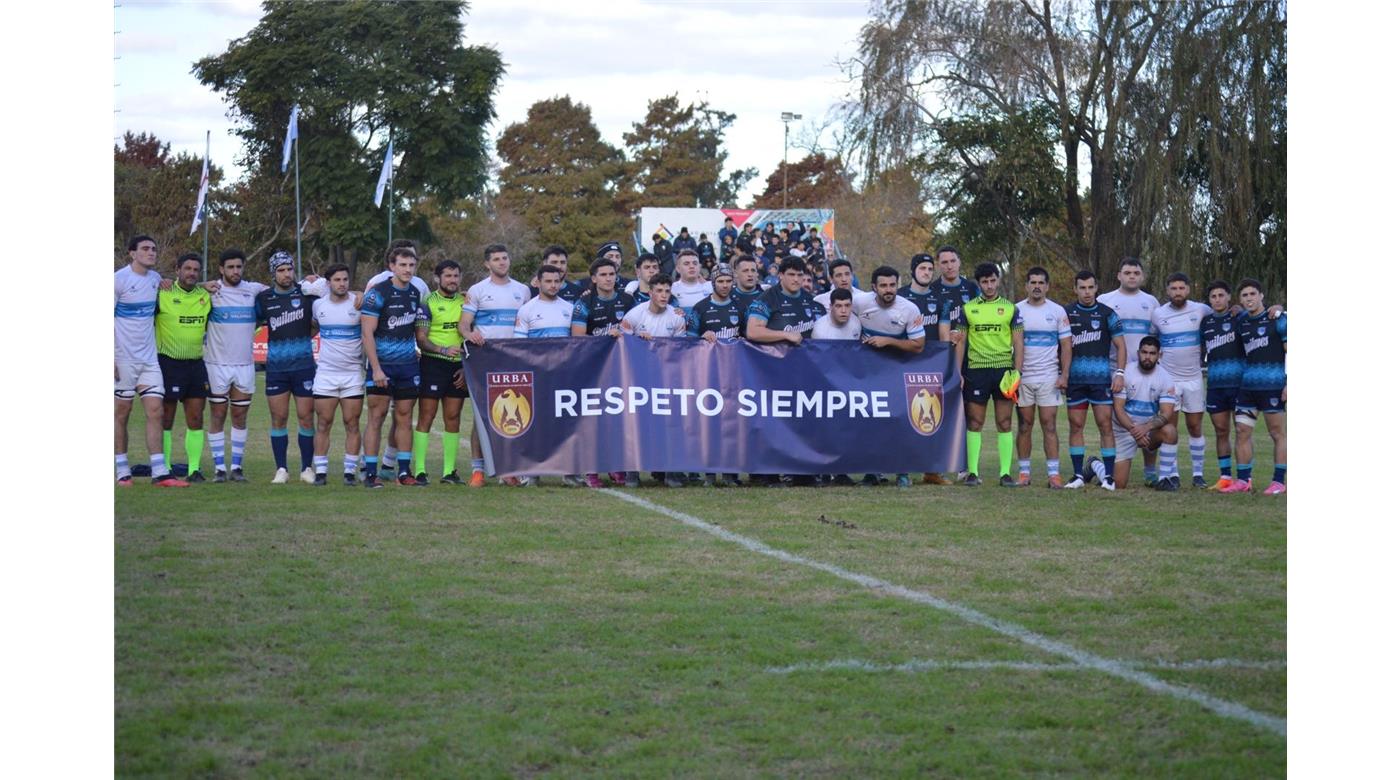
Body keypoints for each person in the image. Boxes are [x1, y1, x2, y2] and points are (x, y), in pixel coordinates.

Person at [746, 256, 825, 487]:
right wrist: (785, 335)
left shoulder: (811, 302)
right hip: (772, 370)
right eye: (791, 274)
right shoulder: (767, 299)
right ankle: (768, 473)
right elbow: (753, 331)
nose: (796, 279)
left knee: (802, 421)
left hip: (804, 372)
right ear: (780, 275)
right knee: (772, 422)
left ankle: (802, 472)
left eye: (800, 275)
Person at [115, 235, 187, 487]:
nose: (151, 252)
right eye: (145, 248)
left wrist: (206, 284)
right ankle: (122, 471)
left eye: (154, 249)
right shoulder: (118, 280)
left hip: (149, 360)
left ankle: (160, 472)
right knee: (121, 413)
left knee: (156, 411)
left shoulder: (156, 279)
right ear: (132, 253)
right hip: (122, 359)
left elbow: (181, 285)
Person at [459, 243, 532, 486]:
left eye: (505, 258)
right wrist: (470, 334)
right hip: (486, 360)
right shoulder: (477, 290)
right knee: (482, 415)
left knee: (515, 414)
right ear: (487, 264)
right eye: (497, 259)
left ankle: (510, 468)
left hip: (515, 361)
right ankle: (478, 470)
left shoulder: (522, 290)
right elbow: (463, 324)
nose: (502, 262)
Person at [952, 262, 1024, 487]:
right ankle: (972, 473)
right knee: (975, 422)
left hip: (1003, 371)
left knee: (1004, 422)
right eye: (985, 282)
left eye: (993, 280)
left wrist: (1017, 372)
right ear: (979, 283)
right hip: (976, 371)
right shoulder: (968, 309)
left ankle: (1005, 474)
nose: (990, 285)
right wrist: (957, 372)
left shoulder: (1011, 309)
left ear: (998, 280)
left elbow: (1019, 342)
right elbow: (960, 342)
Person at [855, 266, 926, 489]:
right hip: (867, 373)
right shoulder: (860, 303)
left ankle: (902, 471)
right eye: (883, 285)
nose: (888, 290)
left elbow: (918, 345)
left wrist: (888, 342)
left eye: (892, 285)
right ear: (873, 287)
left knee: (898, 423)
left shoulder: (910, 309)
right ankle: (871, 472)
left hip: (897, 372)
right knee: (870, 423)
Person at [363, 241, 428, 478]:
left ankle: (403, 472)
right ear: (392, 266)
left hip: (408, 367)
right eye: (402, 265)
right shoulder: (377, 293)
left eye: (411, 265)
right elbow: (367, 333)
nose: (407, 269)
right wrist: (376, 369)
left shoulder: (415, 292)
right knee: (376, 417)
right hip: (382, 367)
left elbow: (418, 330)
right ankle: (370, 472)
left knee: (405, 418)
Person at [253, 250, 319, 484]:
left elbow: (316, 323)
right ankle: (281, 469)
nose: (286, 274)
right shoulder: (264, 299)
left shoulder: (306, 294)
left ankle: (306, 468)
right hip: (277, 369)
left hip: (304, 367)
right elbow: (252, 323)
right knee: (279, 418)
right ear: (273, 273)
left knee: (306, 418)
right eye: (281, 270)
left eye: (289, 269)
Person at [570, 257, 636, 489]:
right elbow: (578, 337)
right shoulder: (584, 302)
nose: (609, 279)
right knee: (594, 419)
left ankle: (615, 465)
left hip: (622, 368)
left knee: (618, 417)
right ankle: (592, 469)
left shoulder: (627, 300)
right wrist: (604, 339)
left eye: (612, 274)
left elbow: (637, 328)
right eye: (604, 275)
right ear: (594, 278)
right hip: (593, 368)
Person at [1097, 257, 1162, 485]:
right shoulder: (1105, 300)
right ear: (1119, 276)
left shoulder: (1151, 302)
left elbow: (1156, 336)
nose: (1132, 276)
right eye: (1127, 273)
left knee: (1148, 417)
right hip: (1114, 370)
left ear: (1142, 276)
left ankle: (1150, 472)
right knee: (1112, 421)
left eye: (1136, 273)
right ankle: (1107, 465)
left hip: (1146, 371)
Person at [203, 248, 265, 483]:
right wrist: (201, 285)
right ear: (221, 269)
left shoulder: (253, 289)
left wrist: (311, 282)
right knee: (218, 414)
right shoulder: (211, 291)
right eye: (230, 267)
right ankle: (219, 468)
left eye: (239, 266)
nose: (235, 271)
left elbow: (283, 288)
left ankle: (237, 467)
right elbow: (186, 288)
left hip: (244, 365)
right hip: (216, 365)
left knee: (240, 415)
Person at [621, 276, 688, 487]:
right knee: (636, 424)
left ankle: (671, 472)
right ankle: (632, 472)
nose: (663, 295)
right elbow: (620, 344)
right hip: (637, 376)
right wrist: (636, 340)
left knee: (669, 424)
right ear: (650, 292)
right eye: (659, 291)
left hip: (666, 377)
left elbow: (680, 350)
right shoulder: (634, 315)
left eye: (667, 291)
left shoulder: (677, 317)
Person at [1221, 278, 1287, 495]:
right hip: (1247, 387)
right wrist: (1235, 309)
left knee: (1277, 434)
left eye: (1252, 294)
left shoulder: (1278, 319)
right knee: (1241, 431)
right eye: (1245, 295)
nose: (1249, 298)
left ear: (1261, 296)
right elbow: (1235, 312)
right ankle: (1243, 480)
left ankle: (1279, 482)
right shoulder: (1241, 322)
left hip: (1273, 386)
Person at [1063, 270, 1127, 490]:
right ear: (1075, 289)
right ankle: (1078, 475)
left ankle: (1108, 477)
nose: (1087, 292)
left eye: (1091, 287)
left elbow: (1121, 346)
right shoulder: (1066, 313)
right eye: (1082, 288)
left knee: (1105, 425)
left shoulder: (1108, 313)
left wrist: (1120, 373)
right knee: (1076, 426)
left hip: (1101, 381)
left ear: (1097, 288)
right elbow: (1060, 346)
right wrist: (1062, 374)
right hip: (1075, 382)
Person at [1149, 273, 1213, 488]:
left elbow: (1223, 314)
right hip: (1169, 381)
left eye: (1181, 288)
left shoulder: (1201, 309)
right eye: (1174, 288)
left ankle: (1198, 475)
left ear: (1188, 289)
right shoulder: (1158, 314)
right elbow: (1152, 340)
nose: (1178, 292)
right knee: (1170, 428)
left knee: (1195, 426)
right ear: (1167, 291)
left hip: (1194, 378)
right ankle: (1172, 474)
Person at [154, 252, 212, 482]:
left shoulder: (206, 295)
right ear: (177, 270)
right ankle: (165, 468)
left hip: (196, 364)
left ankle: (194, 470)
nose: (192, 273)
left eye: (196, 270)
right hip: (169, 363)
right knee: (166, 419)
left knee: (196, 418)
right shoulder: (163, 293)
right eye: (187, 269)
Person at [412, 260, 469, 486]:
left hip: (458, 367)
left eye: (456, 276)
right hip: (433, 364)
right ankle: (420, 471)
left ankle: (449, 472)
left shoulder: (466, 302)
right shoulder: (427, 303)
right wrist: (443, 350)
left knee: (453, 417)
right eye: (448, 276)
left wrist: (465, 366)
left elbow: (471, 333)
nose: (453, 280)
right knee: (427, 416)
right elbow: (421, 339)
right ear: (437, 278)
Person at [1014, 266, 1072, 487]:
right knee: (1024, 425)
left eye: (1041, 283)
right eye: (1033, 283)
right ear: (1026, 286)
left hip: (1049, 377)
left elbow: (1066, 346)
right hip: (1023, 377)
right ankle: (1024, 474)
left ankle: (1054, 475)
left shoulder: (1057, 311)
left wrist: (1064, 375)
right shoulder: (1016, 310)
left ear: (1047, 286)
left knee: (1049, 425)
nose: (1037, 287)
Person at [686, 265, 743, 488]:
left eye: (728, 281)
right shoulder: (700, 308)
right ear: (713, 283)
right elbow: (688, 340)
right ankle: (709, 474)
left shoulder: (740, 307)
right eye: (721, 281)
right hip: (707, 374)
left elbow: (748, 338)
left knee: (732, 425)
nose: (725, 285)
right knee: (709, 424)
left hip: (734, 374)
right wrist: (702, 336)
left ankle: (730, 473)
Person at [309, 263, 366, 486]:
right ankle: (321, 472)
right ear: (328, 283)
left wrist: (361, 293)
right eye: (337, 280)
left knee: (352, 423)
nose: (342, 284)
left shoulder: (358, 302)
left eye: (345, 279)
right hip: (326, 374)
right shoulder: (318, 306)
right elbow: (312, 327)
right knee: (323, 423)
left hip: (352, 374)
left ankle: (349, 472)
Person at [1101, 336, 1178, 490]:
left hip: (1147, 430)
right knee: (1119, 484)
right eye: (1144, 352)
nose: (1147, 357)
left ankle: (1163, 480)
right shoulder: (1125, 373)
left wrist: (1146, 428)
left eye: (1152, 353)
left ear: (1159, 355)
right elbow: (1118, 409)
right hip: (1124, 430)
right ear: (1138, 353)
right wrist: (1136, 432)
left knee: (1170, 431)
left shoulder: (1166, 378)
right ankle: (1094, 465)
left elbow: (1166, 413)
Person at [1199, 280, 1245, 490]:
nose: (1217, 300)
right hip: (1216, 385)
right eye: (1213, 296)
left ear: (1228, 297)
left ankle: (1244, 478)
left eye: (1221, 295)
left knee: (1242, 430)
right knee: (1221, 430)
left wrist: (1278, 308)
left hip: (1239, 384)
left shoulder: (1239, 317)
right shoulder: (1206, 323)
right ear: (1209, 300)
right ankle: (1225, 477)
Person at [898, 253, 943, 343]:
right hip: (905, 350)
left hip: (933, 351)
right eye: (922, 268)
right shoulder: (899, 296)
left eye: (930, 269)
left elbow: (944, 335)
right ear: (913, 270)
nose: (927, 272)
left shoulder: (941, 297)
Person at [669, 249, 713, 318]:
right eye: (686, 264)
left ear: (699, 267)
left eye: (695, 263)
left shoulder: (711, 287)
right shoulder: (671, 289)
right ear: (678, 269)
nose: (692, 266)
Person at [730, 255, 766, 338]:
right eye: (745, 271)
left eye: (753, 270)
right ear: (735, 273)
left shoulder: (766, 297)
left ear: (757, 273)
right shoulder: (727, 296)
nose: (750, 274)